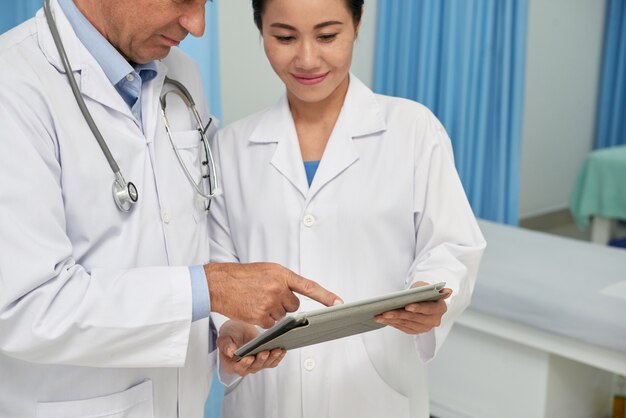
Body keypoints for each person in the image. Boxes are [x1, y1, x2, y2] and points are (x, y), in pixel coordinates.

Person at [0, 0, 342, 417]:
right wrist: (210, 289)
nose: (196, 26)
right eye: (183, 0)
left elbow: (186, 232)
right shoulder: (13, 85)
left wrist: (222, 326)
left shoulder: (181, 75)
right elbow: (26, 306)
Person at [208, 0, 487, 417]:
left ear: (357, 24)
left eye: (327, 36)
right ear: (261, 32)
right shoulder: (229, 148)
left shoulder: (412, 129)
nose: (306, 58)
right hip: (267, 393)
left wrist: (429, 290)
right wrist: (229, 328)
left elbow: (452, 244)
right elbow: (217, 266)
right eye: (284, 37)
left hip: (374, 392)